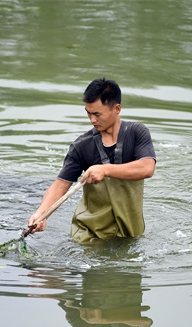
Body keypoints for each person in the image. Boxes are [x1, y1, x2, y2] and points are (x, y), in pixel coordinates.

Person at [28, 78, 156, 242]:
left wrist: (105, 169)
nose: (92, 120)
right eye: (88, 113)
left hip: (130, 230)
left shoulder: (137, 133)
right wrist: (41, 214)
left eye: (97, 114)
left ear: (117, 109)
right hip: (89, 233)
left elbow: (147, 168)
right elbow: (61, 184)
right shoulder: (82, 146)